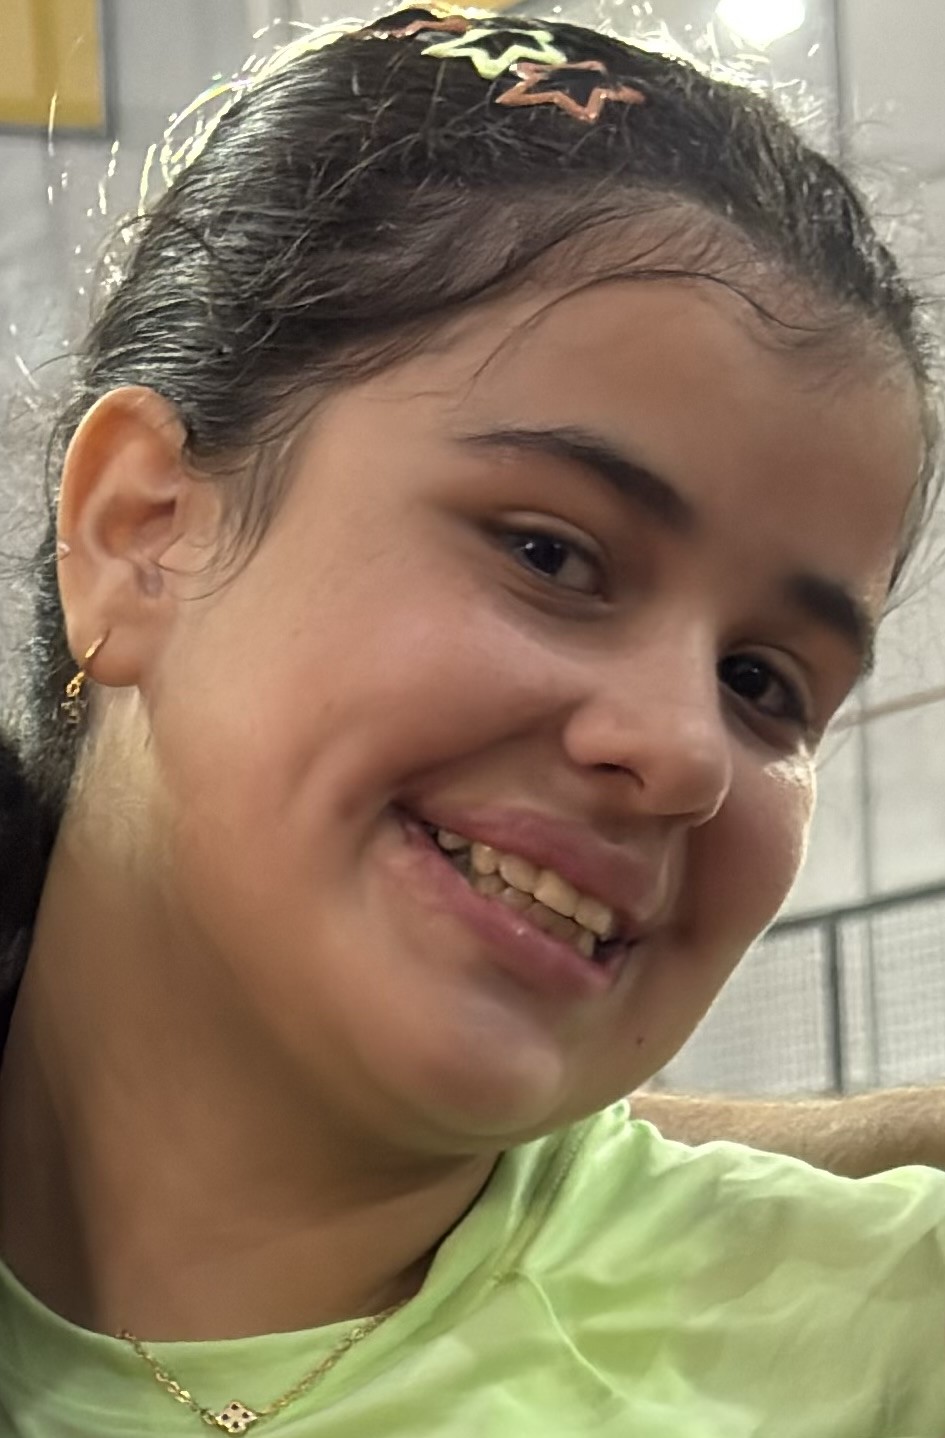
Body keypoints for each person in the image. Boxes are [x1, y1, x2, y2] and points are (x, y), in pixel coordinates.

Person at [0, 8, 942, 1434]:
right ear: (141, 533)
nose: (683, 752)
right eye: (550, 554)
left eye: (763, 683)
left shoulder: (874, 1345)